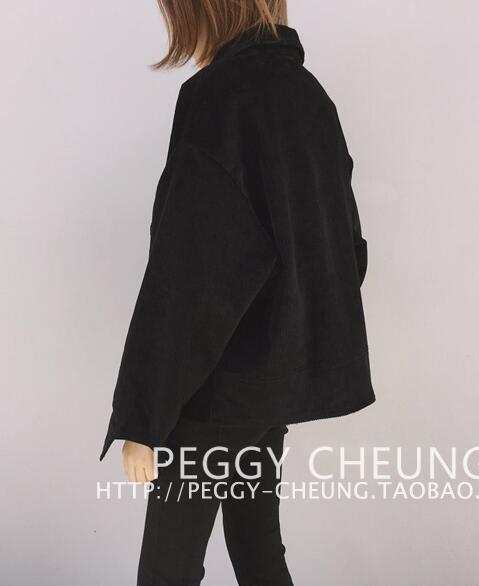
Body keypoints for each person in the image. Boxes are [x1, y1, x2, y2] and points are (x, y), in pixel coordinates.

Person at [99, 0, 375, 583]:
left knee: (167, 571)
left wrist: (142, 418)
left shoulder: (216, 100)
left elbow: (187, 273)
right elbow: (346, 247)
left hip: (215, 389)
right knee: (258, 549)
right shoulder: (311, 97)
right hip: (275, 385)